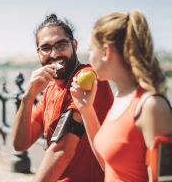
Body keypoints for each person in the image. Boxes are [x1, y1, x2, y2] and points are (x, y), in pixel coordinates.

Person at [70, 10, 172, 182]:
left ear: (105, 52)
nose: (88, 56)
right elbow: (107, 164)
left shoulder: (151, 106)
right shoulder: (121, 97)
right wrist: (86, 110)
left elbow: (166, 178)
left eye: (90, 49)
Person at [11, 14, 114, 182]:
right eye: (46, 48)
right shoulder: (50, 87)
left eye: (61, 45)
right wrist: (28, 98)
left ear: (74, 45)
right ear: (38, 53)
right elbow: (20, 144)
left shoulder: (87, 80)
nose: (54, 54)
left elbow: (63, 150)